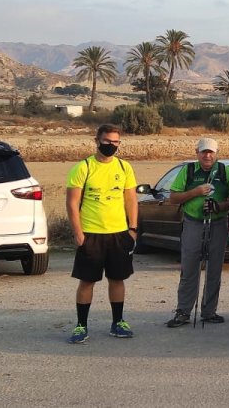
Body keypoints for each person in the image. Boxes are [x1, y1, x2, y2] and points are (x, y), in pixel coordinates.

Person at [65, 124, 139, 343]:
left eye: (115, 142)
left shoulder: (124, 168)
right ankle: (81, 325)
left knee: (117, 280)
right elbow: (72, 203)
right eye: (107, 142)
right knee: (87, 281)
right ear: (96, 141)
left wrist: (132, 229)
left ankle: (118, 322)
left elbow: (131, 199)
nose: (111, 146)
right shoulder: (83, 168)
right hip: (91, 234)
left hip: (118, 235)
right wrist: (78, 233)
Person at [165, 137, 229, 327]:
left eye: (211, 152)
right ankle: (183, 311)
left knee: (214, 268)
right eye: (204, 152)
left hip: (218, 222)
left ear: (216, 153)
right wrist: (196, 192)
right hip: (193, 222)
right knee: (189, 267)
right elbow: (173, 198)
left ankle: (209, 311)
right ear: (197, 152)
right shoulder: (188, 170)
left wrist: (218, 206)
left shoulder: (225, 171)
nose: (208, 155)